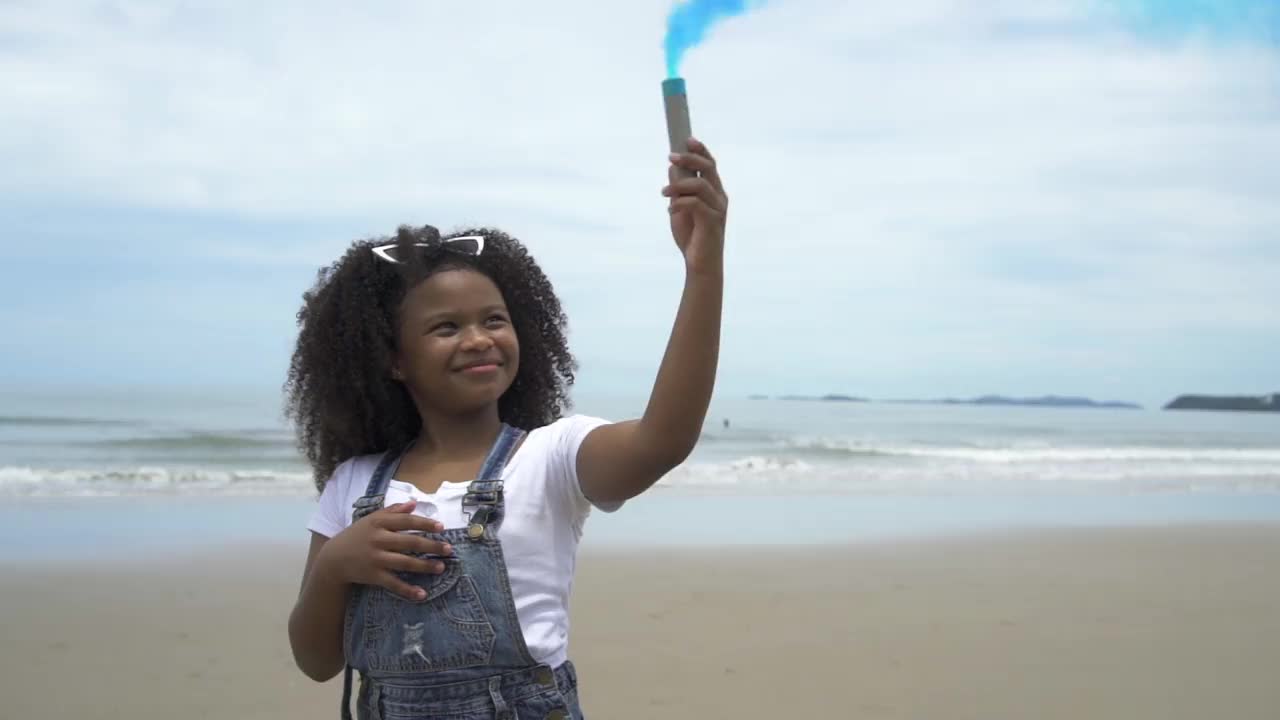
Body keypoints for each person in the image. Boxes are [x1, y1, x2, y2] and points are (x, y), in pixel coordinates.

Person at [285, 139, 728, 719]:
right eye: (446, 327)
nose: (478, 339)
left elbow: (664, 439)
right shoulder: (353, 483)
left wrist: (703, 268)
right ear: (393, 360)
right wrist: (337, 565)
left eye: (494, 319)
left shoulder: (551, 457)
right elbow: (316, 660)